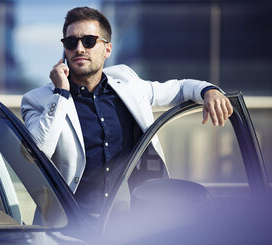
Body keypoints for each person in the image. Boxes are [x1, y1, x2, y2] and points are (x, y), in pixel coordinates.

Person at [21, 6, 233, 217]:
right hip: (69, 226)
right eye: (71, 42)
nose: (79, 48)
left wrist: (209, 91)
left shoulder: (128, 84)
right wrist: (60, 94)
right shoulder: (38, 100)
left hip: (128, 225)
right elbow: (36, 154)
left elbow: (179, 88)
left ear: (107, 49)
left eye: (88, 41)